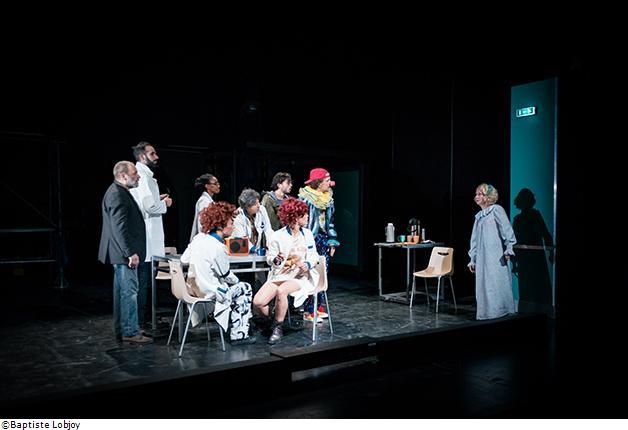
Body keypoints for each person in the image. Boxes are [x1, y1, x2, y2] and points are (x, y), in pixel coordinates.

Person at [180, 201, 256, 344]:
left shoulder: (198, 239)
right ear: (221, 225)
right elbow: (226, 275)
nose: (233, 226)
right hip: (209, 292)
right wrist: (237, 281)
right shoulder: (218, 247)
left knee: (236, 287)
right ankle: (239, 334)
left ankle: (243, 324)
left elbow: (184, 259)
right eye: (231, 222)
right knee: (245, 288)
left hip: (192, 290)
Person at [252, 198, 320, 344]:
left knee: (282, 291)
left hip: (300, 277)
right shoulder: (277, 236)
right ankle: (273, 319)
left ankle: (278, 327)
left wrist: (308, 263)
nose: (307, 217)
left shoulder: (307, 234)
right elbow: (270, 258)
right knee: (258, 302)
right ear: (295, 217)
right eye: (304, 215)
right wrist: (276, 259)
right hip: (280, 275)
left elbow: (314, 256)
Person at [98, 161, 151, 344]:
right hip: (124, 254)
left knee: (124, 292)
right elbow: (119, 228)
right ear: (123, 176)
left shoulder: (119, 192)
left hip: (121, 253)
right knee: (129, 292)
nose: (138, 176)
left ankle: (125, 329)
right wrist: (130, 253)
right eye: (134, 173)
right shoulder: (117, 194)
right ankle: (130, 331)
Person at [129, 141, 173, 329]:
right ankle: (142, 321)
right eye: (152, 153)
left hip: (147, 238)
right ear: (142, 157)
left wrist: (157, 199)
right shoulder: (144, 178)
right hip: (147, 240)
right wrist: (165, 204)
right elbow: (149, 207)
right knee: (144, 283)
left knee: (145, 283)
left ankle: (145, 319)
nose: (156, 157)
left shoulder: (145, 176)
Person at [468, 183, 517, 320]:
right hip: (482, 258)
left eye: (480, 194)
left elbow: (506, 230)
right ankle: (487, 315)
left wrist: (509, 248)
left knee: (495, 284)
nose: (476, 196)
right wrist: (473, 259)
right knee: (484, 286)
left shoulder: (496, 210)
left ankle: (499, 313)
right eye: (476, 194)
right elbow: (474, 240)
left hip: (495, 257)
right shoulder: (479, 216)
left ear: (488, 196)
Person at [298, 168, 339, 321]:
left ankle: (317, 306)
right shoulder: (306, 199)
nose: (330, 183)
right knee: (310, 274)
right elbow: (301, 223)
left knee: (323, 273)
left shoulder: (328, 199)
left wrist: (332, 240)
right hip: (309, 239)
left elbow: (330, 222)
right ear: (319, 183)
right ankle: (308, 310)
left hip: (323, 239)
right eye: (327, 181)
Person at [232, 188, 273, 253]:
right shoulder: (239, 217)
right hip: (243, 251)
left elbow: (268, 229)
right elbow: (242, 238)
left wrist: (271, 245)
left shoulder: (262, 210)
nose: (258, 205)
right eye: (255, 204)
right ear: (247, 206)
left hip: (257, 250)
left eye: (258, 202)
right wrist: (254, 249)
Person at [189, 173, 220, 242]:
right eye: (215, 183)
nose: (218, 186)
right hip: (205, 239)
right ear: (207, 186)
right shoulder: (204, 201)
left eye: (218, 183)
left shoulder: (209, 200)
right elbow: (202, 224)